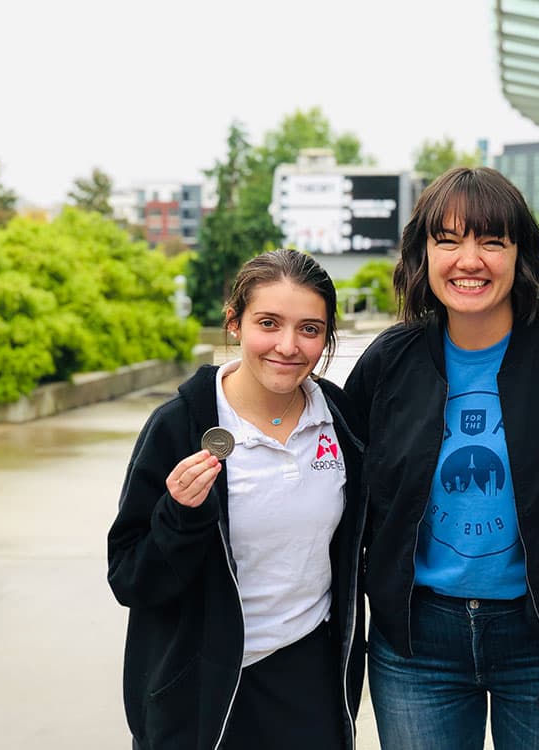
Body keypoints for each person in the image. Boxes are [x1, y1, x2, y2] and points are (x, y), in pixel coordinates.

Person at [344, 167, 539, 750]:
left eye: (492, 240)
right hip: (417, 641)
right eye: (448, 240)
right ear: (423, 254)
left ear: (520, 254)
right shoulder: (391, 360)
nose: (470, 259)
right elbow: (335, 462)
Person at [107, 249, 365, 750]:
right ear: (234, 323)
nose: (288, 346)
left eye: (310, 329)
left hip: (309, 677)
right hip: (202, 686)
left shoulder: (341, 418)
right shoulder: (178, 426)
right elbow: (129, 577)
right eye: (268, 323)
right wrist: (180, 517)